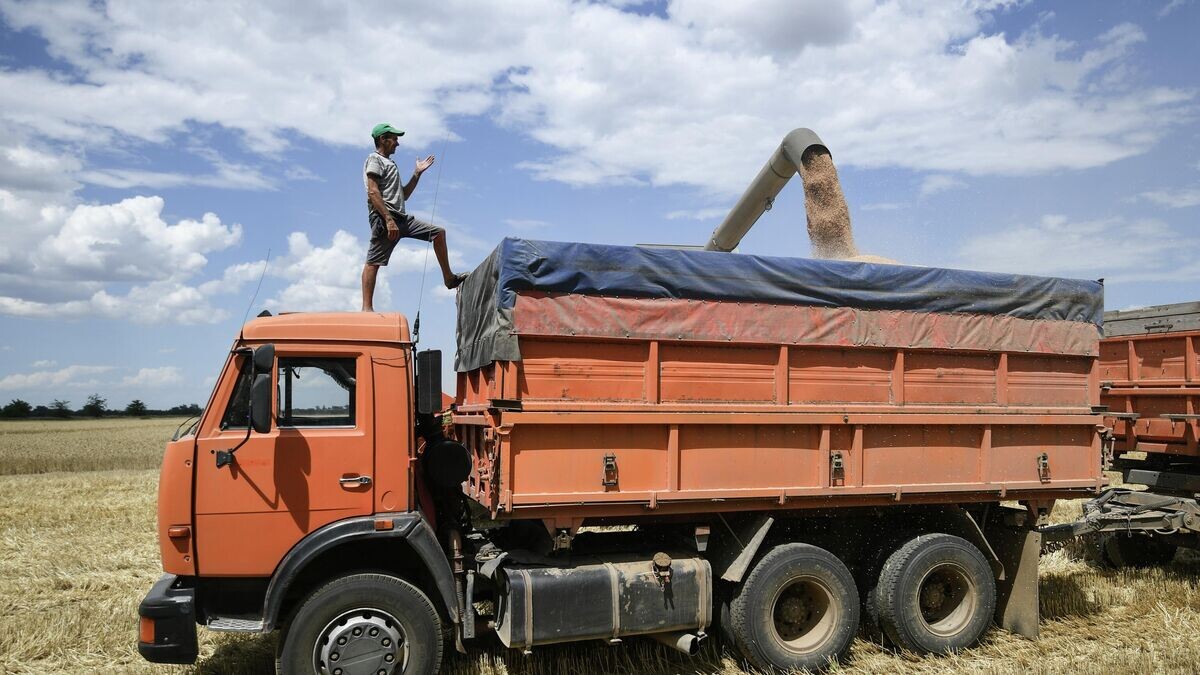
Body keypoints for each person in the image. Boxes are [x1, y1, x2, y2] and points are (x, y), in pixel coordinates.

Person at [361, 122, 466, 312]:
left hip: (401, 219)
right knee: (373, 262)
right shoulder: (374, 159)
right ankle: (366, 308)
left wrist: (417, 174)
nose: (397, 143)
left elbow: (404, 195)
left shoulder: (390, 164)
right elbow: (373, 191)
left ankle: (449, 279)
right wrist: (388, 220)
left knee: (438, 233)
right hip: (386, 219)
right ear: (382, 139)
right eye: (394, 139)